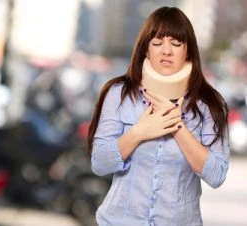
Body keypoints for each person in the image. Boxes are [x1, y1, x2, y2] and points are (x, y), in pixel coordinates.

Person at [87, 6, 229, 226]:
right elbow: (100, 163)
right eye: (157, 43)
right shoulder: (119, 94)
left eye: (176, 43)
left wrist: (176, 125)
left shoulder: (209, 104)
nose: (166, 51)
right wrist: (138, 132)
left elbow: (217, 175)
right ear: (146, 49)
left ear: (188, 51)